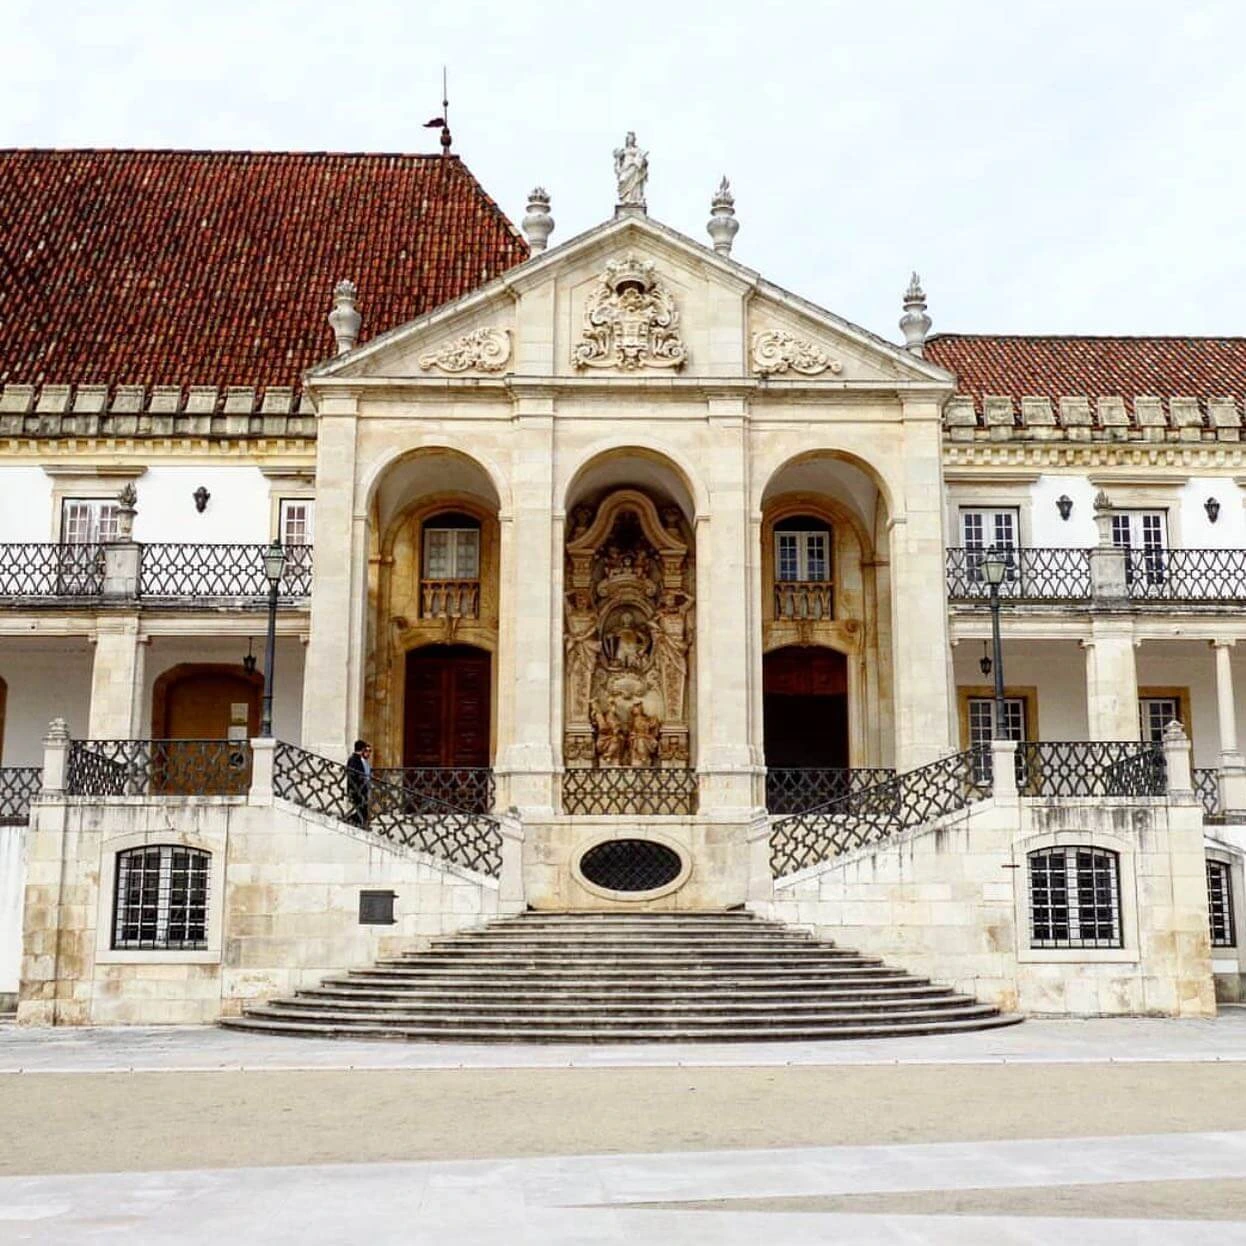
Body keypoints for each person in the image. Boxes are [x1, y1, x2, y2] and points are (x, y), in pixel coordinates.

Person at [345, 739, 372, 826]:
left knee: (363, 811)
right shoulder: (354, 759)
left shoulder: (355, 759)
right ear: (362, 749)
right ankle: (349, 820)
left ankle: (354, 822)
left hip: (360, 789)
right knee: (362, 811)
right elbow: (353, 775)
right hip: (358, 790)